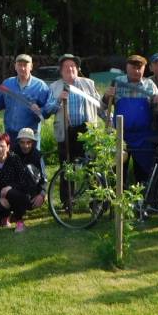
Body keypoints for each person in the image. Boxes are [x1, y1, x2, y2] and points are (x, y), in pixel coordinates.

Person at [43, 54, 101, 210]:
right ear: (61, 71)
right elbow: (47, 110)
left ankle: (95, 202)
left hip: (86, 131)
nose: (70, 69)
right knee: (66, 168)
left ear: (77, 69)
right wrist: (58, 100)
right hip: (65, 131)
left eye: (73, 66)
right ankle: (67, 202)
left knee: (91, 166)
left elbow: (99, 105)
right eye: (66, 67)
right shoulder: (55, 87)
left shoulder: (88, 84)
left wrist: (111, 119)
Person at [103, 55, 158, 185]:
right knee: (117, 174)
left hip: (143, 138)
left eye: (139, 68)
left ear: (144, 68)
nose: (136, 71)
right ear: (127, 67)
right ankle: (118, 196)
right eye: (133, 67)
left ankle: (141, 197)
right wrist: (107, 96)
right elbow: (103, 106)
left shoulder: (150, 85)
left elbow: (157, 111)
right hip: (120, 137)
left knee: (142, 175)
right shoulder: (117, 82)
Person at [0, 54, 50, 149]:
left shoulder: (40, 86)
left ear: (31, 67)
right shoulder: (7, 83)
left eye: (25, 65)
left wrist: (39, 111)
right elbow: (0, 103)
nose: (22, 68)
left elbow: (47, 111)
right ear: (15, 66)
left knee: (31, 159)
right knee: (11, 158)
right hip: (10, 134)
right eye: (19, 65)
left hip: (30, 136)